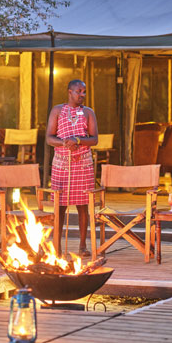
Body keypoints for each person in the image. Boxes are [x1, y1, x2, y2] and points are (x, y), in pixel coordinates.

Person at [46, 79, 98, 256]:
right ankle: (57, 247)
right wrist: (65, 143)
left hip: (82, 164)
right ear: (70, 92)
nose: (82, 95)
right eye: (79, 91)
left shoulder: (88, 112)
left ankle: (82, 246)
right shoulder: (57, 110)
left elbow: (94, 139)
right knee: (60, 206)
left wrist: (77, 140)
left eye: (84, 92)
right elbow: (49, 138)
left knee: (83, 205)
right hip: (62, 164)